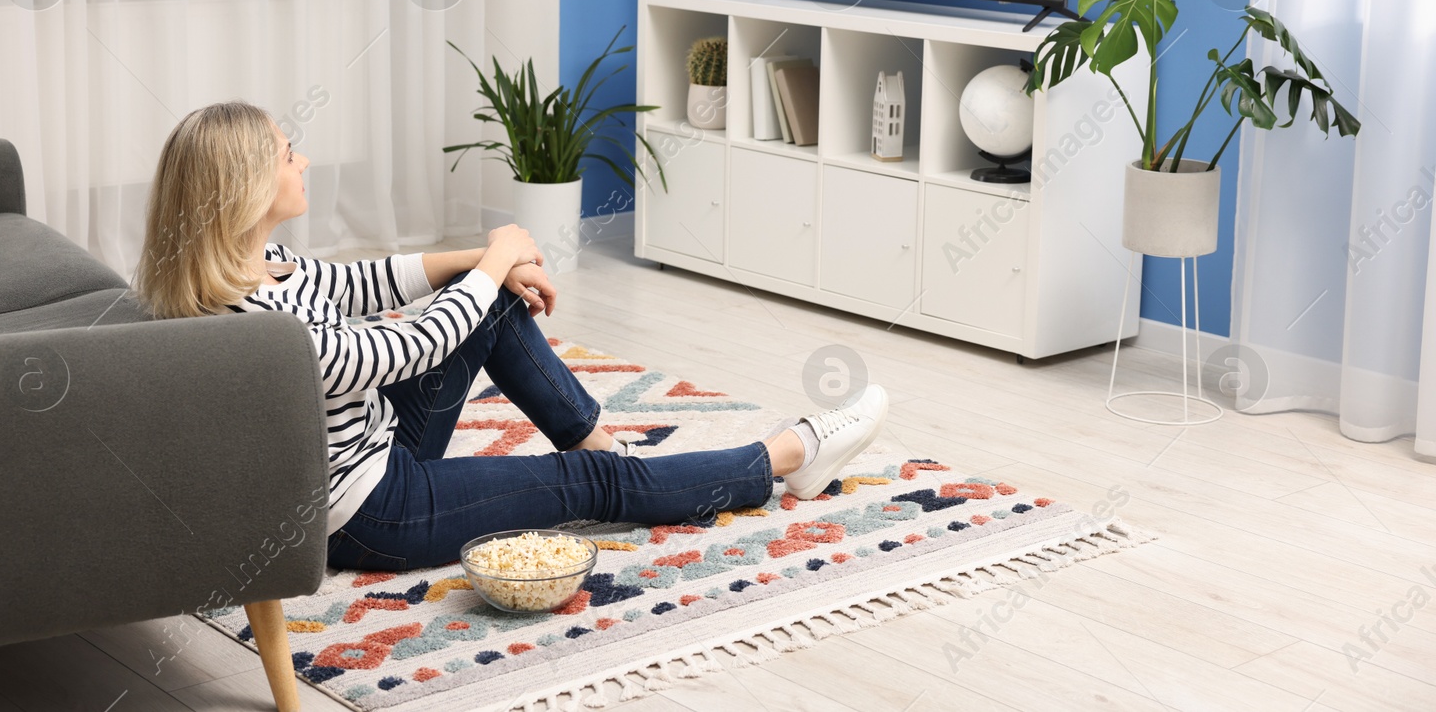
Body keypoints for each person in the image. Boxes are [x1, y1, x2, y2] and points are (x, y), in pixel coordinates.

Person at [132, 100, 889, 572]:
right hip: (372, 516)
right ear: (245, 189)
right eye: (284, 151)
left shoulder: (253, 268)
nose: (301, 158)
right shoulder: (259, 331)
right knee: (580, 486)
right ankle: (788, 455)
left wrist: (481, 260)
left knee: (490, 306)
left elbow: (357, 283)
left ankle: (604, 448)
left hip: (374, 450)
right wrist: (494, 261)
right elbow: (407, 349)